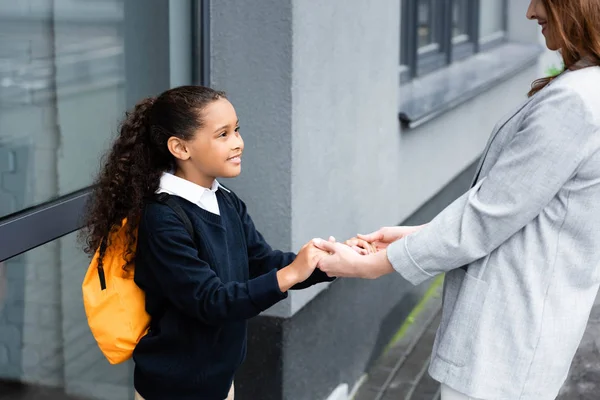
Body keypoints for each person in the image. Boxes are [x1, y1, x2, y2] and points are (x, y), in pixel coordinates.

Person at [315, 0, 600, 399]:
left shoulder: (576, 101)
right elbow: (518, 211)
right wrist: (414, 236)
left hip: (507, 340)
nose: (530, 12)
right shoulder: (587, 91)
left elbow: (488, 217)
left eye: (542, 0)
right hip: (526, 332)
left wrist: (373, 266)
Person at [81, 86, 332, 400]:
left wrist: (330, 262)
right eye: (223, 134)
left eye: (237, 130)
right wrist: (291, 274)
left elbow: (260, 262)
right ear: (181, 148)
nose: (238, 142)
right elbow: (209, 301)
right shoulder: (161, 218)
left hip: (219, 380)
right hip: (175, 389)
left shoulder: (225, 200)